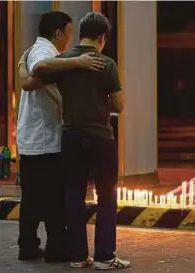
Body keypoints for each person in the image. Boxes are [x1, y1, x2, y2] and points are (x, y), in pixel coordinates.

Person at [22, 12, 129, 270]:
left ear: (81, 33)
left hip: (70, 136)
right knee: (106, 196)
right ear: (103, 37)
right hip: (100, 137)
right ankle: (105, 256)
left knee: (73, 195)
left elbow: (30, 82)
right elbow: (119, 105)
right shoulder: (106, 64)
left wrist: (22, 67)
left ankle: (78, 256)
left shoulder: (63, 61)